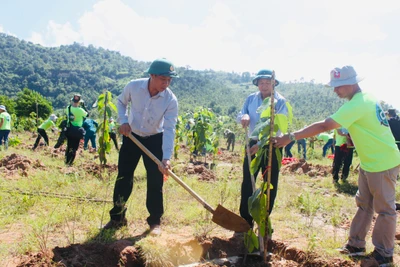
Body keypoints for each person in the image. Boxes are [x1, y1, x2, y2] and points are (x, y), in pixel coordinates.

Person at [273, 65, 400, 266]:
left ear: (351, 84)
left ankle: (384, 254)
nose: (335, 90)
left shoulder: (358, 103)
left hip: (382, 162)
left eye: (338, 86)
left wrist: (291, 137)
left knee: (384, 209)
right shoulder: (364, 98)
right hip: (370, 161)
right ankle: (356, 245)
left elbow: (325, 125)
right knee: (364, 204)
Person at [103, 58, 179, 236]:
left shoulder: (170, 100)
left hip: (155, 140)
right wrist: (123, 121)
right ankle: (117, 218)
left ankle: (155, 222)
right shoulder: (133, 86)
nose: (166, 84)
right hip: (132, 136)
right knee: (124, 177)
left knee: (155, 181)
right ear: (152, 75)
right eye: (163, 79)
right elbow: (121, 103)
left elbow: (169, 129)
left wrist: (166, 158)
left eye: (169, 80)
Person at [236, 69, 289, 229]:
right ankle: (245, 220)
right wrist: (243, 117)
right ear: (257, 84)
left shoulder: (280, 102)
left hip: (272, 145)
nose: (264, 86)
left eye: (267, 82)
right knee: (248, 180)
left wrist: (261, 145)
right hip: (252, 143)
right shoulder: (251, 99)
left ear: (273, 83)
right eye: (261, 83)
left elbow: (278, 127)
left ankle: (264, 220)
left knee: (270, 182)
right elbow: (242, 113)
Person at [65, 94, 88, 165]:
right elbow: (87, 115)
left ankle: (66, 160)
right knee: (74, 147)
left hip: (69, 129)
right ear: (79, 102)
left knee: (69, 145)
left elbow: (67, 115)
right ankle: (70, 162)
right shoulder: (81, 110)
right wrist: (84, 107)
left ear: (72, 101)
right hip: (77, 131)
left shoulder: (68, 108)